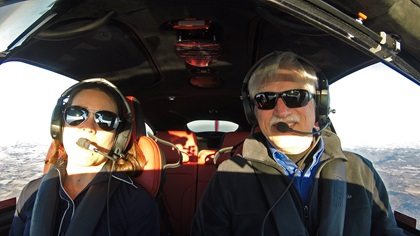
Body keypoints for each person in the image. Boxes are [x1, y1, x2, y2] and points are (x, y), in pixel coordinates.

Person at [191, 51, 404, 235]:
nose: (281, 111)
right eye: (266, 99)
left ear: (319, 106)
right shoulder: (230, 177)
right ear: (253, 112)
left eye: (295, 96)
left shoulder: (360, 170)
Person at [9, 78, 160, 236]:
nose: (88, 128)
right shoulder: (31, 192)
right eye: (76, 114)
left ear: (119, 137)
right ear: (59, 126)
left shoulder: (137, 204)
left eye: (105, 120)